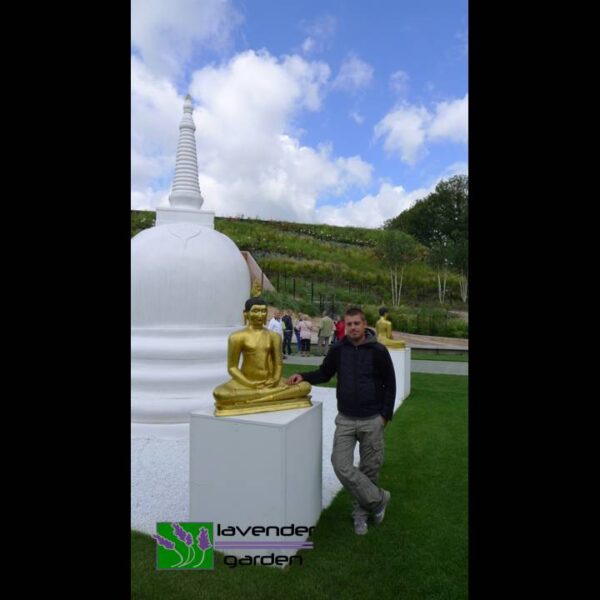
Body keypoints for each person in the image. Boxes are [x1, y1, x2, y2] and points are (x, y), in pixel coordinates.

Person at [288, 307, 396, 535]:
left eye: (357, 323)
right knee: (340, 465)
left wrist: (385, 415)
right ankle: (379, 499)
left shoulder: (378, 350)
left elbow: (390, 383)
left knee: (369, 469)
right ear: (344, 326)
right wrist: (303, 376)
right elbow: (324, 373)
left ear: (364, 324)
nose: (353, 327)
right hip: (346, 419)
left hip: (372, 419)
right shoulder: (338, 349)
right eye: (349, 324)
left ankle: (360, 515)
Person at [213, 298, 312, 416]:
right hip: (246, 383)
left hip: (270, 382)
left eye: (263, 311)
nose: (260, 315)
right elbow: (232, 367)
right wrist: (249, 383)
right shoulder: (237, 337)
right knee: (220, 394)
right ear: (246, 313)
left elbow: (278, 363)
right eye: (255, 311)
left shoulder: (274, 336)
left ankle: (256, 398)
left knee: (305, 387)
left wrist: (275, 379)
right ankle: (271, 396)